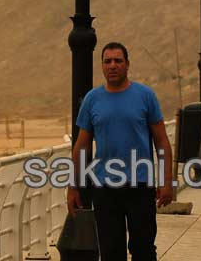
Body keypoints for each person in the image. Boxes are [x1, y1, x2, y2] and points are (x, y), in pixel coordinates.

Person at [66, 42, 174, 261]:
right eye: (107, 61)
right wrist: (73, 185)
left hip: (140, 186)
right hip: (105, 189)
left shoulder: (146, 96)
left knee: (143, 249)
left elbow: (161, 141)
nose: (112, 65)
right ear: (102, 66)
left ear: (127, 64)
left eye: (118, 61)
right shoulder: (92, 100)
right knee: (110, 251)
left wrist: (166, 181)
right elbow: (82, 145)